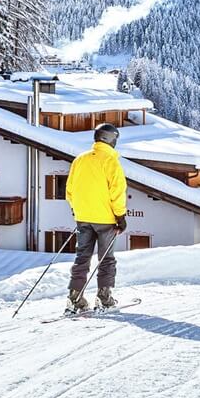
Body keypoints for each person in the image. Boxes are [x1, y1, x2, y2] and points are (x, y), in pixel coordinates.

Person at [64, 122, 128, 312]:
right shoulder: (111, 161)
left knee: (82, 257)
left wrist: (77, 209)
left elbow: (69, 190)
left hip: (83, 218)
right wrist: (121, 216)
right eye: (115, 139)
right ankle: (104, 298)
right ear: (110, 139)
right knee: (106, 259)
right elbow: (117, 191)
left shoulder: (80, 159)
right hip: (106, 219)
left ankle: (75, 298)